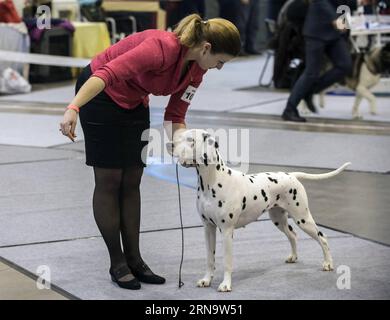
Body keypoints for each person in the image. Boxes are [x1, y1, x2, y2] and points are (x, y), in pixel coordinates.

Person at [59, 14, 241, 290]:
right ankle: (117, 262)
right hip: (99, 95)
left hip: (134, 101)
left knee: (133, 179)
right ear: (206, 48)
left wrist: (183, 147)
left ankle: (135, 259)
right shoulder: (160, 48)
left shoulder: (197, 70)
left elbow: (175, 114)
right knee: (110, 180)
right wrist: (73, 107)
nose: (219, 67)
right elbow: (105, 74)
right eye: (220, 61)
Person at [281, 0, 372, 122]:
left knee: (344, 65)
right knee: (311, 72)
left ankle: (310, 91)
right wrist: (335, 19)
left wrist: (357, 3)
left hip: (335, 34)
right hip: (317, 30)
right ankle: (289, 109)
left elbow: (341, 3)